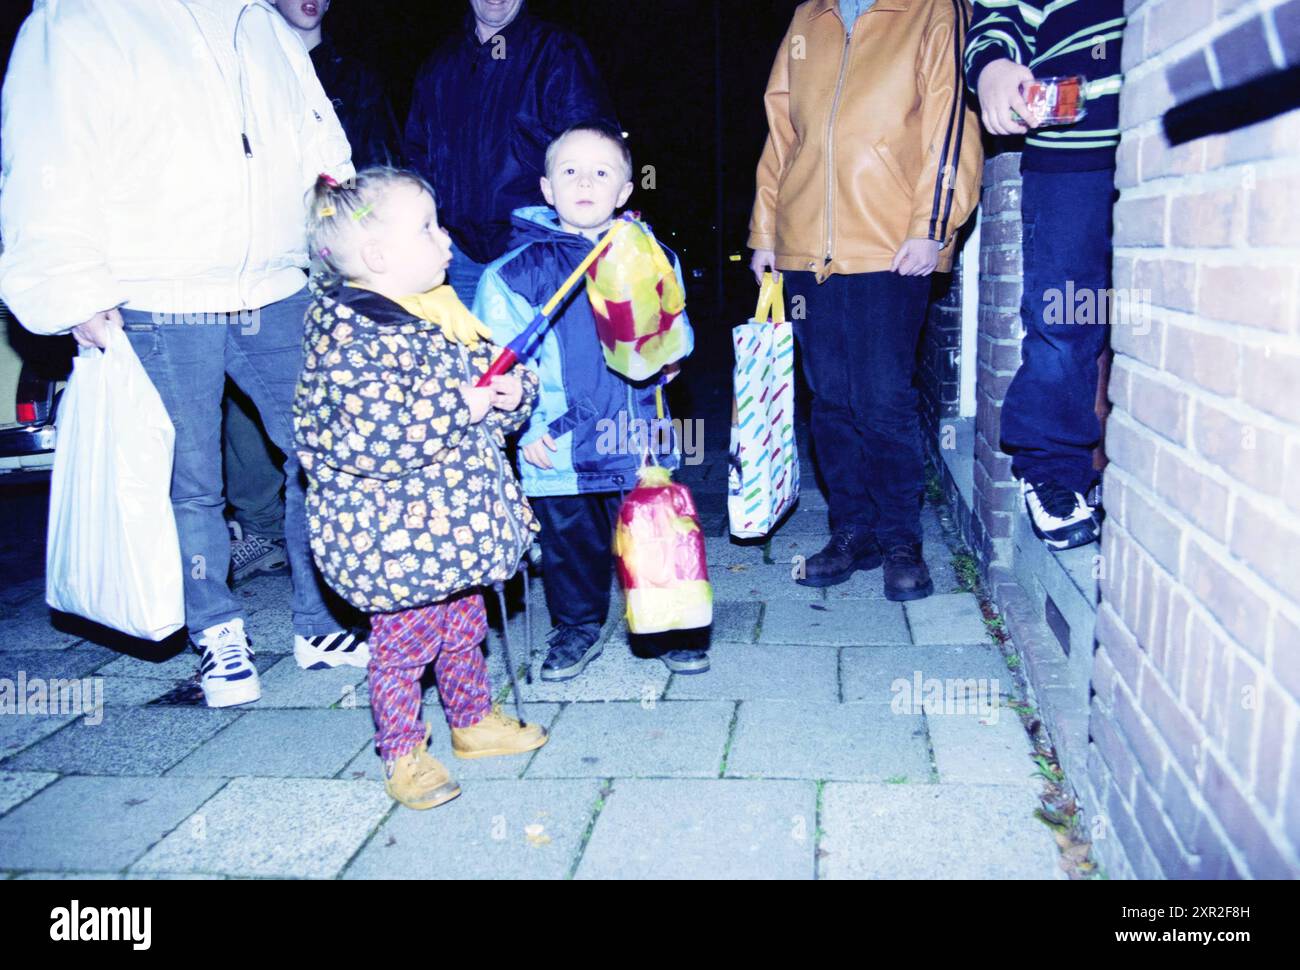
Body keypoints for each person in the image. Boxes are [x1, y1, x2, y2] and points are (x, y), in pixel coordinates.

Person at [0, 0, 367, 707]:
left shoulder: (258, 20)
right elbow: (48, 155)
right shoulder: (79, 20)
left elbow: (319, 141)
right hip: (158, 289)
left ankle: (320, 623)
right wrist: (71, 290)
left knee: (325, 451)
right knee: (189, 478)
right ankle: (219, 634)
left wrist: (348, 246)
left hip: (277, 283)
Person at [296, 167, 547, 810]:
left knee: (465, 627)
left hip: (450, 527)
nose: (447, 241)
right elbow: (379, 438)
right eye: (428, 228)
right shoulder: (349, 336)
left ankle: (471, 720)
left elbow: (488, 395)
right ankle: (403, 752)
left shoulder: (437, 313)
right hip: (394, 537)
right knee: (403, 650)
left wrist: (513, 395)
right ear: (378, 256)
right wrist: (464, 406)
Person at [748, 0, 983, 600]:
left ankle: (902, 539)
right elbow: (782, 133)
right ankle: (853, 532)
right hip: (806, 250)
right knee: (829, 401)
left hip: (890, 243)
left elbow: (949, 122)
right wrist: (765, 233)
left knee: (882, 398)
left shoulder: (931, 10)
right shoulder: (807, 19)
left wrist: (933, 225)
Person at [475, 123, 705, 681]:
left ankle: (670, 627)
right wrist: (525, 432)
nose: (584, 181)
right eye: (569, 171)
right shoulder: (514, 274)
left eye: (602, 172)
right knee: (569, 543)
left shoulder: (652, 256)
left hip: (637, 433)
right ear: (547, 189)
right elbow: (497, 364)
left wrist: (674, 357)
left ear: (624, 191)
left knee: (655, 532)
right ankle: (576, 625)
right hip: (559, 442)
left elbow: (675, 332)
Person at [223, 0, 404, 586]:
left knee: (332, 388)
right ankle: (259, 528)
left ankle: (356, 523)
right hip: (265, 257)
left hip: (335, 256)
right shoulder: (238, 59)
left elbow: (376, 162)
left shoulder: (356, 75)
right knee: (245, 395)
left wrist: (377, 247)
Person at [965, 1, 1125, 551]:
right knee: (1065, 318)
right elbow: (996, 15)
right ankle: (1053, 473)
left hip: (1177, 127)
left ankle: (1133, 473)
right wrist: (991, 68)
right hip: (1074, 147)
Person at [404, 0, 617, 305]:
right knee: (469, 352)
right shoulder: (438, 65)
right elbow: (415, 157)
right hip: (457, 260)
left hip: (535, 254)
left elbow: (596, 150)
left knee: (534, 353)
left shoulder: (558, 52)